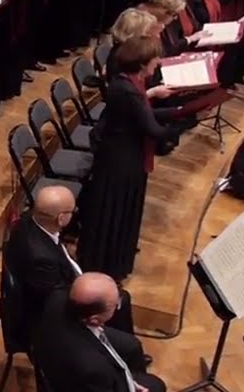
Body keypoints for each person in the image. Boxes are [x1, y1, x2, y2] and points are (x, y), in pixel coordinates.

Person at [76, 36, 179, 280]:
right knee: (114, 213)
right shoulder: (127, 89)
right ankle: (106, 265)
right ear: (143, 62)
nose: (158, 61)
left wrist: (177, 112)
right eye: (154, 58)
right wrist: (183, 121)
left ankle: (114, 260)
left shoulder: (130, 84)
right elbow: (152, 129)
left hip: (125, 155)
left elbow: (145, 114)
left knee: (119, 212)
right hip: (120, 161)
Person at [4, 185, 135, 336]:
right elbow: (58, 299)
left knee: (118, 295)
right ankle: (118, 345)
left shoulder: (30, 219)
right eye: (72, 211)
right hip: (47, 311)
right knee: (120, 300)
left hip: (57, 282)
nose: (76, 211)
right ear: (61, 219)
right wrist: (97, 291)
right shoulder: (42, 258)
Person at [33, 272, 166, 392]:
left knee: (132, 345)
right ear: (95, 320)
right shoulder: (95, 370)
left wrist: (130, 382)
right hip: (76, 376)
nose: (119, 305)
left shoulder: (57, 298)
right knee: (156, 385)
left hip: (62, 354)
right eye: (116, 305)